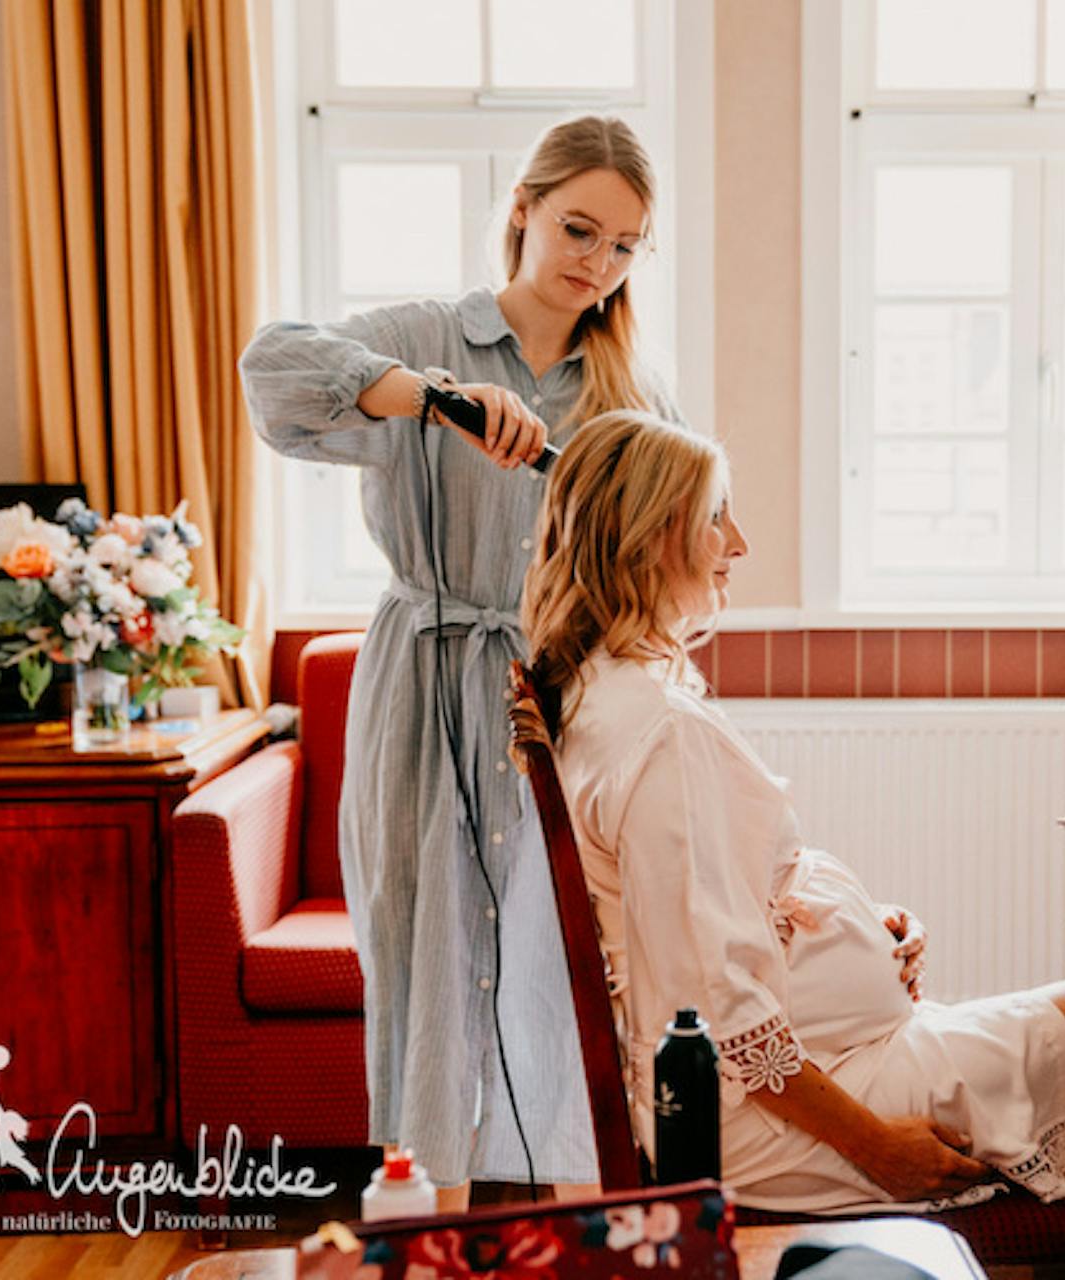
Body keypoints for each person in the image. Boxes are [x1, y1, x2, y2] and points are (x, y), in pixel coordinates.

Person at [522, 413, 1065, 1279]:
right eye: (716, 516)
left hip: (789, 1067)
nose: (737, 543)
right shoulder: (657, 731)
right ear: (650, 536)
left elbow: (700, 908)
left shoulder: (608, 688)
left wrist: (849, 926)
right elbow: (713, 1006)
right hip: (758, 1117)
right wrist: (879, 1149)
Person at [238, 116, 685, 1209]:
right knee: (422, 963)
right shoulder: (427, 331)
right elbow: (274, 367)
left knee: (558, 965)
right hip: (422, 687)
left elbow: (679, 541)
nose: (597, 261)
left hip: (561, 699)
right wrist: (428, 398)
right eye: (579, 227)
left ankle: (568, 1227)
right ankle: (423, 1219)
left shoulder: (632, 388)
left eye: (625, 246)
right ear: (523, 209)